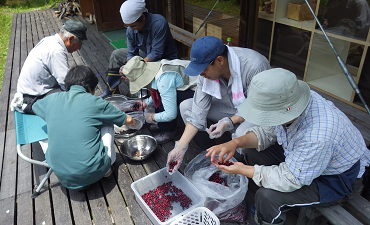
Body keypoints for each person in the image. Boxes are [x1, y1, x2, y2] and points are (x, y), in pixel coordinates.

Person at [206, 68, 370, 225]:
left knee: (267, 196)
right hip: (305, 159)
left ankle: (268, 214)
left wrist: (242, 170)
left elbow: (291, 177)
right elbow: (270, 131)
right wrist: (235, 142)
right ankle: (268, 204)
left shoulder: (318, 136)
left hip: (334, 178)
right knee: (252, 152)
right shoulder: (292, 100)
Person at [166, 36, 271, 173]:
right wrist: (180, 147)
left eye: (203, 70)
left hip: (256, 112)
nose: (201, 75)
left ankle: (238, 163)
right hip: (230, 106)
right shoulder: (207, 71)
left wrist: (229, 122)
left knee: (241, 132)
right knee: (186, 106)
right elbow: (198, 111)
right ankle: (209, 150)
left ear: (219, 60)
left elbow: (255, 106)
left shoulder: (255, 65)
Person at [32, 65, 136, 190]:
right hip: (94, 172)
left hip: (63, 177)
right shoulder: (95, 102)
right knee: (108, 120)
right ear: (88, 87)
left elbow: (34, 107)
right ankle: (107, 170)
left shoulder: (51, 99)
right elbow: (129, 121)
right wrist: (140, 119)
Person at [101, 0, 178, 98]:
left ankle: (146, 92)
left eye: (133, 25)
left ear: (142, 17)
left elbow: (156, 53)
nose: (131, 29)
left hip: (164, 61)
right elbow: (131, 53)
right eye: (127, 26)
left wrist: (135, 66)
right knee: (117, 54)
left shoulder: (159, 23)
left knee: (137, 68)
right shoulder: (130, 30)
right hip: (146, 58)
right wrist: (128, 67)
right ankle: (111, 92)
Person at [11, 20, 89, 114]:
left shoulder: (49, 40)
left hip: (31, 91)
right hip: (33, 99)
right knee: (78, 98)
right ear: (70, 39)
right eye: (79, 44)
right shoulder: (56, 51)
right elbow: (65, 82)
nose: (79, 48)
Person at [122, 56, 197, 143]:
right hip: (184, 85)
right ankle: (162, 124)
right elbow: (158, 92)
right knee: (164, 95)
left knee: (167, 100)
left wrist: (152, 117)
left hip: (198, 91)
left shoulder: (163, 80)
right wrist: (146, 102)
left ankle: (170, 130)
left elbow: (170, 114)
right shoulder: (157, 66)